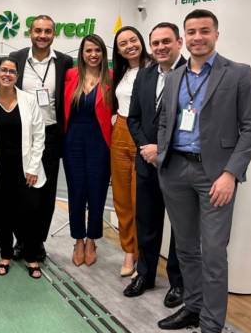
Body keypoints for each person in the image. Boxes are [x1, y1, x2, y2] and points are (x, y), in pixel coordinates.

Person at [156, 9, 251, 333]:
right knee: (185, 249)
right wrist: (162, 158)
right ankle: (193, 306)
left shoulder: (238, 74)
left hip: (215, 175)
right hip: (175, 171)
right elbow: (167, 120)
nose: (198, 37)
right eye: (192, 32)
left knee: (213, 253)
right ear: (184, 38)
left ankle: (210, 331)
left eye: (204, 31)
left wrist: (231, 173)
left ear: (216, 34)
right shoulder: (175, 76)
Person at [125, 22, 185, 307]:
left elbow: (194, 125)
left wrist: (161, 150)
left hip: (179, 164)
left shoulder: (191, 74)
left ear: (179, 43)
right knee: (147, 221)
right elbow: (133, 118)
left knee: (180, 227)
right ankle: (146, 274)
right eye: (156, 43)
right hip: (146, 162)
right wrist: (145, 148)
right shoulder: (145, 74)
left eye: (166, 41)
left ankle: (178, 282)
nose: (160, 47)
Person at [10, 15, 73, 261]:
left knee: (46, 193)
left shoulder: (65, 62)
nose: (42, 35)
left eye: (47, 31)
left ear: (53, 34)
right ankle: (21, 239)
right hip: (21, 134)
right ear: (30, 33)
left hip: (51, 134)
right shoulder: (16, 58)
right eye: (38, 30)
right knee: (21, 190)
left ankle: (37, 241)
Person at [0, 58, 45, 279]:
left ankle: (31, 256)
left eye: (12, 71)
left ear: (17, 76)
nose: (7, 74)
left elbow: (39, 135)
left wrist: (33, 167)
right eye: (3, 70)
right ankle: (5, 254)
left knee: (29, 214)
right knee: (3, 213)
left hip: (26, 169)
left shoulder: (28, 100)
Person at [62, 34, 113, 267]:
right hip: (73, 141)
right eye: (88, 50)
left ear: (103, 53)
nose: (93, 55)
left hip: (100, 142)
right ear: (81, 54)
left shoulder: (111, 77)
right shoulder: (71, 75)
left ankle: (92, 239)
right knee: (76, 192)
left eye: (97, 50)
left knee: (96, 192)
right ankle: (78, 240)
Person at [111, 26, 151, 276]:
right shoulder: (121, 72)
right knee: (122, 198)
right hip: (120, 132)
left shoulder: (155, 68)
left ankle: (144, 254)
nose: (129, 46)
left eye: (133, 40)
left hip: (144, 135)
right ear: (118, 50)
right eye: (123, 44)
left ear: (141, 41)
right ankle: (128, 251)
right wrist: (116, 116)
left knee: (141, 200)